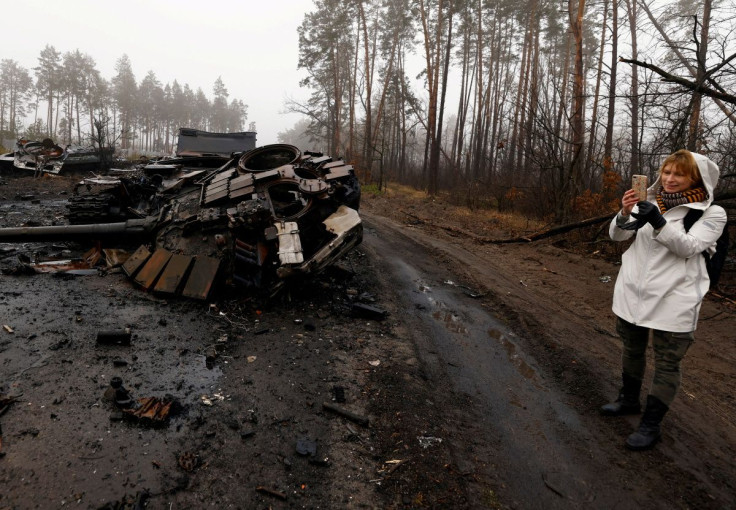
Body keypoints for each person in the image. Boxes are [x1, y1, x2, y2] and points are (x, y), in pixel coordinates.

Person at [603, 149, 727, 450]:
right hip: (633, 290)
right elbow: (617, 237)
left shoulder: (711, 213)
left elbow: (688, 247)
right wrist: (623, 213)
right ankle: (629, 400)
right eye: (667, 172)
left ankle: (651, 424)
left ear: (695, 178)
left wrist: (659, 222)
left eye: (679, 174)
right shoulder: (649, 201)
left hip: (675, 297)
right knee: (632, 349)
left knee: (667, 362)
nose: (669, 179)